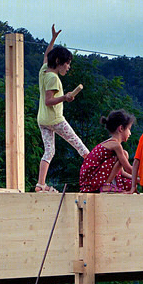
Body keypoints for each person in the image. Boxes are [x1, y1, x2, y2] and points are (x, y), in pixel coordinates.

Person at [35, 25, 89, 193]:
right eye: (67, 63)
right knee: (81, 147)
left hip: (42, 120)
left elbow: (46, 55)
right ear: (59, 62)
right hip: (55, 120)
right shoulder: (53, 78)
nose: (68, 67)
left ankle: (40, 184)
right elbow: (49, 100)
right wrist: (64, 97)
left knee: (49, 151)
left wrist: (52, 40)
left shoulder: (44, 70)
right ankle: (95, 177)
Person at [79, 110, 135, 193]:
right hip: (90, 180)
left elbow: (121, 172)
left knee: (129, 184)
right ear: (121, 128)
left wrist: (137, 180)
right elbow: (129, 169)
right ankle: (106, 185)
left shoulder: (112, 143)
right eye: (129, 129)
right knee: (125, 154)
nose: (130, 133)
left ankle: (107, 184)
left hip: (91, 178)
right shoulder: (116, 145)